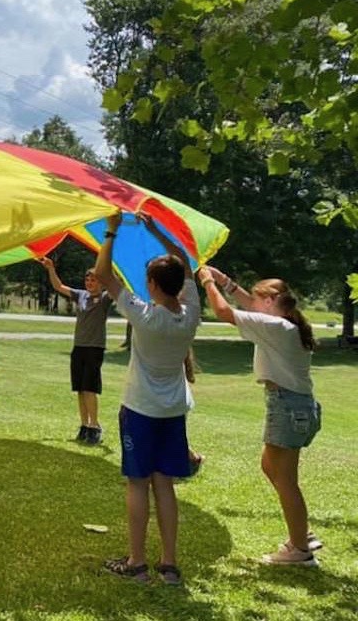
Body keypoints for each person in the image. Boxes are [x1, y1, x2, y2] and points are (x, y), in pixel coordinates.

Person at [94, 212, 200, 585]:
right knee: (165, 484)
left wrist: (110, 231)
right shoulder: (190, 314)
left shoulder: (144, 316)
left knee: (138, 483)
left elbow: (103, 274)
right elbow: (185, 262)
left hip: (140, 409)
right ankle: (168, 565)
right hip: (172, 412)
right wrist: (157, 231)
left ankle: (137, 563)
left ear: (153, 284)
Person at [198, 266, 322, 565]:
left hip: (287, 406)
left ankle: (300, 549)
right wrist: (226, 281)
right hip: (293, 405)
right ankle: (300, 530)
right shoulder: (285, 323)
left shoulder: (276, 327)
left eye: (257, 298)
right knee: (270, 467)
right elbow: (247, 305)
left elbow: (225, 312)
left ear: (270, 301)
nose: (252, 303)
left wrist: (208, 283)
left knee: (286, 479)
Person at [40, 257, 113, 445]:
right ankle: (84, 425)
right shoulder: (81, 295)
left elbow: (119, 284)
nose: (89, 283)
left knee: (90, 389)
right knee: (80, 389)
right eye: (87, 280)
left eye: (94, 280)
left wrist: (113, 266)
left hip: (95, 348)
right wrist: (51, 268)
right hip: (79, 347)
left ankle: (95, 426)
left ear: (101, 283)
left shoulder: (105, 298)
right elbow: (58, 286)